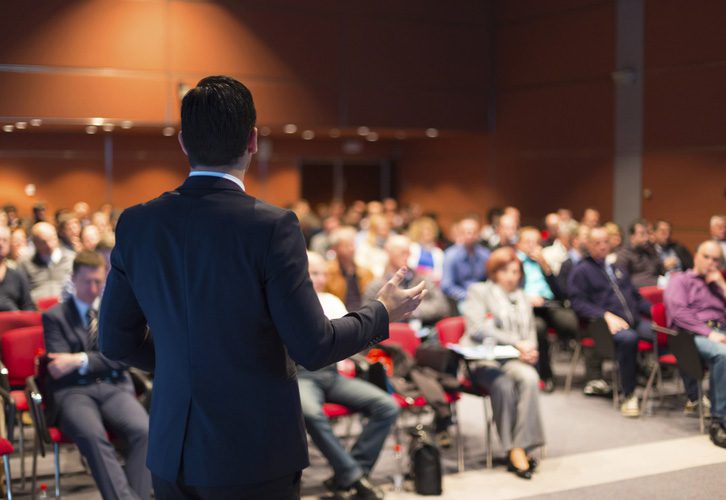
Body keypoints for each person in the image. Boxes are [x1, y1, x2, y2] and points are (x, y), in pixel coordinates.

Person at [98, 75, 424, 500]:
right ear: (252, 140)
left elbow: (115, 342)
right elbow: (313, 346)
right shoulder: (271, 227)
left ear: (183, 142)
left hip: (172, 451)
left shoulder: (138, 223)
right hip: (254, 450)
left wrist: (188, 361)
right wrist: (380, 311)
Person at [43, 251, 151, 499]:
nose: (93, 288)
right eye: (87, 281)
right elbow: (58, 367)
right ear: (73, 278)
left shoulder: (114, 311)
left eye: (99, 282)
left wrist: (79, 359)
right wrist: (103, 360)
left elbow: (122, 359)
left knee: (144, 431)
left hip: (114, 387)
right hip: (73, 392)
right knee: (93, 437)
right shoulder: (54, 316)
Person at [300, 252, 398, 499]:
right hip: (302, 376)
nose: (319, 278)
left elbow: (351, 338)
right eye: (313, 272)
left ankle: (350, 475)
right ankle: (355, 478)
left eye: (322, 272)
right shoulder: (291, 303)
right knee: (311, 413)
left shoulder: (331, 300)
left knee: (387, 406)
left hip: (331, 374)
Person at [461, 247, 545, 480]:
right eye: (506, 271)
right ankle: (512, 449)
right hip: (483, 359)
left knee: (529, 378)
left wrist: (530, 350)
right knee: (504, 385)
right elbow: (477, 328)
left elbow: (530, 333)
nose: (511, 276)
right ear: (494, 272)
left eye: (516, 271)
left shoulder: (522, 297)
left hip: (512, 359)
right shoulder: (479, 291)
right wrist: (517, 342)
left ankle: (520, 446)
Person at [568, 226, 653, 417]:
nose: (602, 246)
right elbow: (577, 303)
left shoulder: (617, 268)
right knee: (628, 339)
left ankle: (692, 395)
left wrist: (656, 312)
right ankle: (628, 394)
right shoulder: (581, 271)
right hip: (602, 327)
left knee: (668, 334)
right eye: (597, 243)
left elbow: (635, 297)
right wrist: (604, 315)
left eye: (606, 242)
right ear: (588, 245)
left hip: (634, 321)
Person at [664, 241, 726, 448]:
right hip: (692, 336)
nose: (711, 263)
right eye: (706, 257)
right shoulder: (680, 280)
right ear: (696, 256)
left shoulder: (718, 283)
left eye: (716, 259)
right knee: (723, 354)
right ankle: (719, 422)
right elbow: (679, 314)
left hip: (720, 331)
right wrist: (710, 333)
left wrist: (722, 285)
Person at [516, 227, 579, 391]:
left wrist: (546, 267)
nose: (532, 246)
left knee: (570, 323)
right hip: (526, 308)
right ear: (518, 244)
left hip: (549, 305)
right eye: (527, 242)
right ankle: (545, 374)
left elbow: (561, 292)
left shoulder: (544, 261)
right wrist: (526, 298)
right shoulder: (515, 262)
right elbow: (510, 289)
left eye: (536, 243)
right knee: (538, 329)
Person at [365, 235, 450, 328]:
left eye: (408, 252)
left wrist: (413, 310)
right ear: (389, 252)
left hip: (424, 333)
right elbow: (369, 318)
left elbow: (442, 307)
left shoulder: (421, 279)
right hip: (391, 337)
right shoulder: (376, 285)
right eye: (401, 252)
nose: (406, 256)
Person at [17, 222, 75, 302]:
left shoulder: (71, 258)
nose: (49, 245)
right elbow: (21, 291)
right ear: (35, 243)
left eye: (52, 239)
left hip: (64, 308)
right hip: (37, 308)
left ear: (56, 237)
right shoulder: (25, 262)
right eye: (43, 242)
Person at [441, 217, 491, 305]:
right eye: (467, 232)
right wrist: (467, 296)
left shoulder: (485, 254)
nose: (470, 236)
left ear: (478, 233)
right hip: (460, 299)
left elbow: (491, 280)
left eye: (474, 232)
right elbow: (447, 286)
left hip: (483, 296)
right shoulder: (450, 255)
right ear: (460, 234)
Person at [326, 226, 375, 311]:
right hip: (339, 317)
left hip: (363, 315)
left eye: (353, 244)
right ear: (335, 248)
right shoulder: (327, 273)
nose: (352, 249)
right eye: (347, 245)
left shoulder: (366, 272)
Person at [616, 219, 664, 289]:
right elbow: (624, 281)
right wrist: (657, 281)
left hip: (655, 289)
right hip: (636, 293)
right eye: (642, 234)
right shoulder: (623, 255)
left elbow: (661, 271)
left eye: (647, 233)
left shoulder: (650, 251)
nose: (646, 238)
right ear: (632, 237)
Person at [0, 226, 35, 311]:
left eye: (5, 240)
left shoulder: (17, 274)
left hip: (13, 322)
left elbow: (28, 307)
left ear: (9, 244)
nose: (0, 244)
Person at [407, 216, 445, 284]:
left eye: (430, 229)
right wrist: (424, 271)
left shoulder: (438, 252)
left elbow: (440, 273)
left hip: (432, 284)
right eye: (425, 229)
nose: (428, 232)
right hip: (413, 282)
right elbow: (409, 266)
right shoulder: (411, 247)